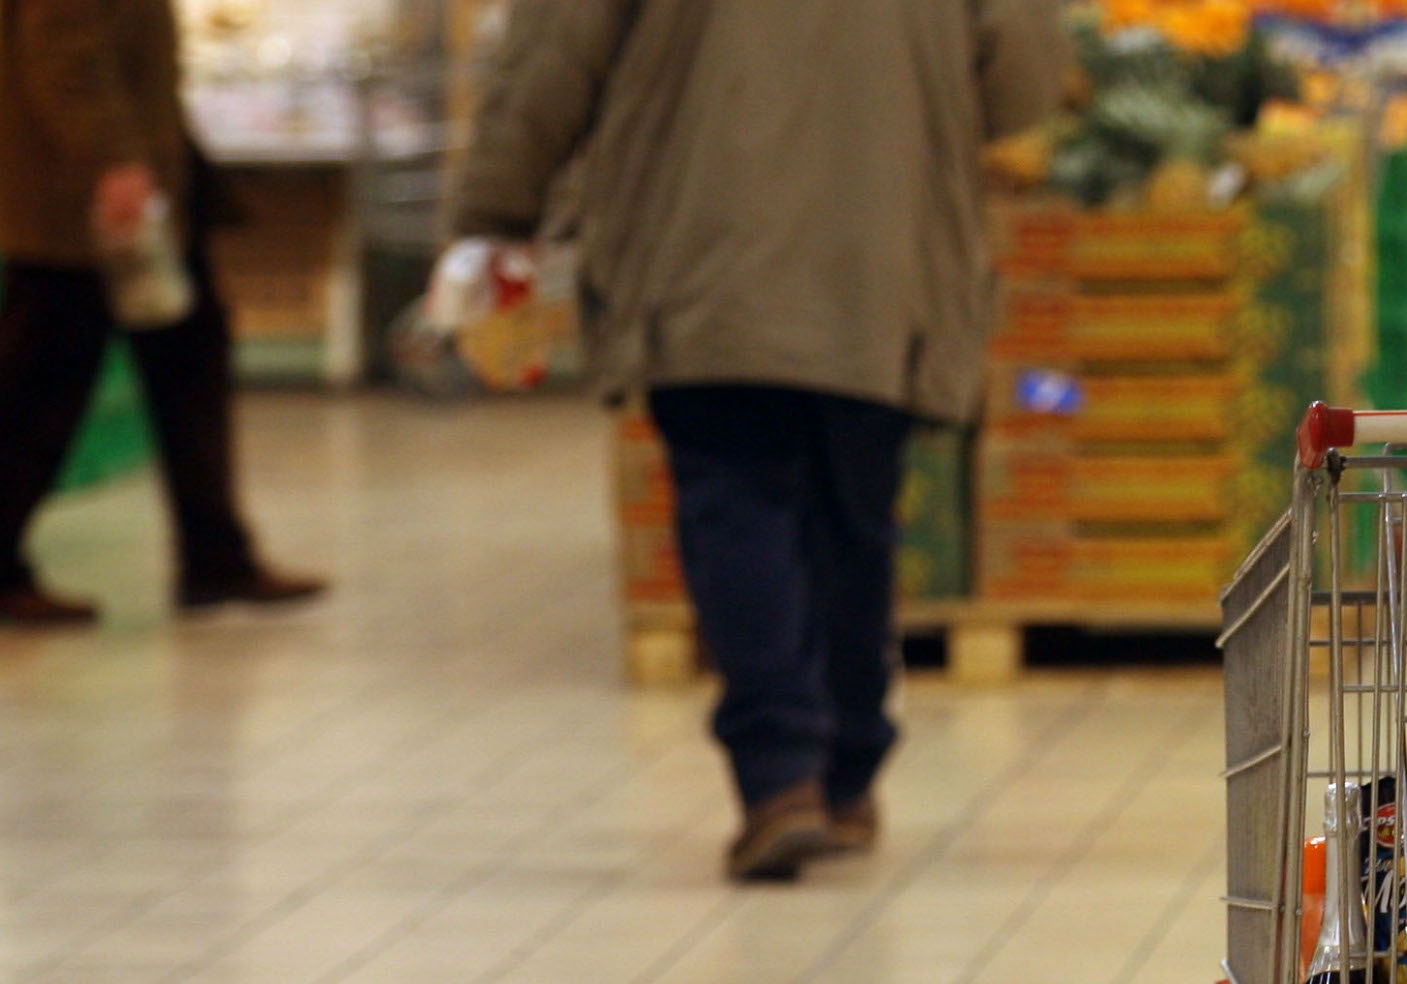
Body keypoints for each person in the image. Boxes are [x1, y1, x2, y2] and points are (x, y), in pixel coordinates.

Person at [451, 0, 1070, 882]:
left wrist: (495, 207)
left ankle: (781, 777)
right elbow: (1023, 67)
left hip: (697, 238)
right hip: (881, 244)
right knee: (854, 516)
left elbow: (554, 52)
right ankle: (850, 771)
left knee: (734, 500)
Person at [0, 0, 329, 626]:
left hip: (141, 198)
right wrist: (112, 159)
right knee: (37, 389)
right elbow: (66, 55)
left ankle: (216, 556)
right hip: (80, 211)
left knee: (188, 367)